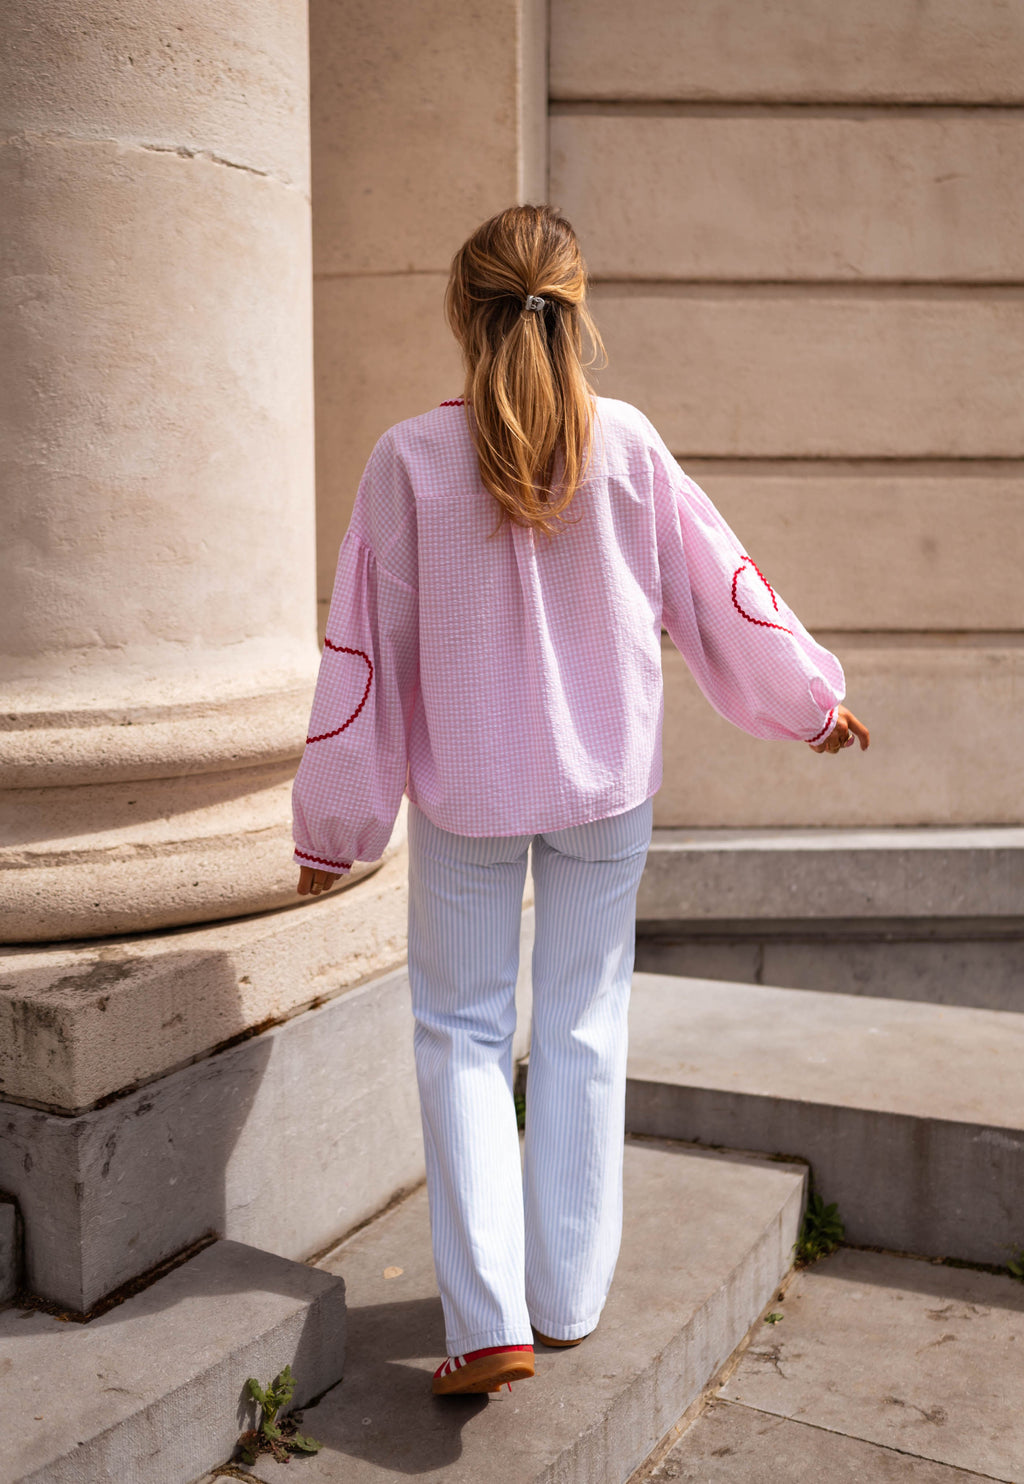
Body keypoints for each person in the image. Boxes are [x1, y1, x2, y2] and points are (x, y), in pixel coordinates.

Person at [291, 204, 869, 1398]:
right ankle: (566, 1295)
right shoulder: (631, 447)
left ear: (462, 309)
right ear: (575, 304)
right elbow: (725, 590)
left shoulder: (407, 458)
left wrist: (335, 827)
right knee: (582, 1023)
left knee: (459, 1030)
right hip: (606, 788)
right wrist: (810, 700)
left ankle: (486, 1316)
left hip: (471, 796)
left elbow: (362, 653)